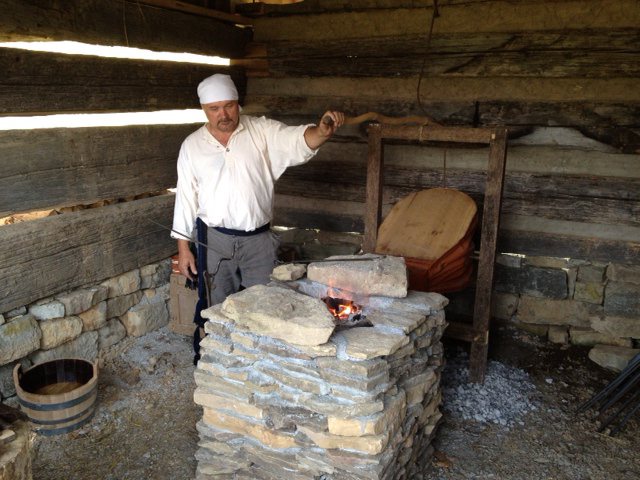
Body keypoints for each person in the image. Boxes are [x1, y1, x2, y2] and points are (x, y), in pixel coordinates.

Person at [171, 73, 344, 305]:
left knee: (265, 306)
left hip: (258, 241)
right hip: (215, 242)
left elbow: (296, 140)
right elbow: (185, 198)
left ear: (237, 103)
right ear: (203, 108)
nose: (223, 115)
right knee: (218, 306)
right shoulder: (192, 146)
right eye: (214, 109)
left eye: (229, 106)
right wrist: (183, 249)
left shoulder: (261, 130)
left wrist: (321, 132)